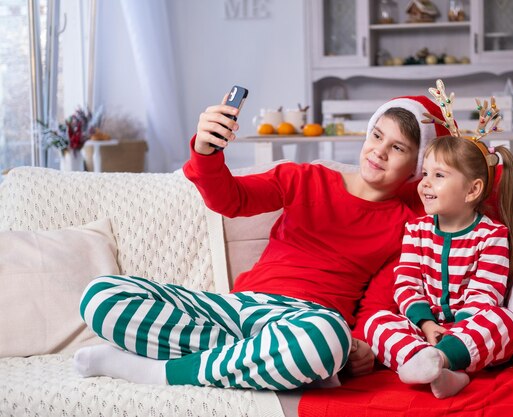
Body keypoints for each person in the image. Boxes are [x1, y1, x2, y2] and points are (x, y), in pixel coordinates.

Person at [72, 93, 450, 390]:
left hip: (309, 322)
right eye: (377, 135)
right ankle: (255, 359)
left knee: (327, 340)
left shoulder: (409, 227)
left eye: (398, 148)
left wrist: (359, 344)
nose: (378, 152)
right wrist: (207, 151)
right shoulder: (307, 177)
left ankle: (162, 373)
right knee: (101, 295)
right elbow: (231, 199)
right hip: (236, 311)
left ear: (416, 167)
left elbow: (378, 305)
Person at [364, 88, 513, 399]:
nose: (424, 183)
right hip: (424, 332)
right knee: (378, 322)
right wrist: (425, 325)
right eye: (425, 173)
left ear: (471, 190)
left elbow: (486, 293)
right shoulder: (416, 230)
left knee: (507, 322)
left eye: (438, 175)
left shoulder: (491, 235)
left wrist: (454, 335)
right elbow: (406, 284)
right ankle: (438, 368)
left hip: (469, 333)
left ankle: (441, 361)